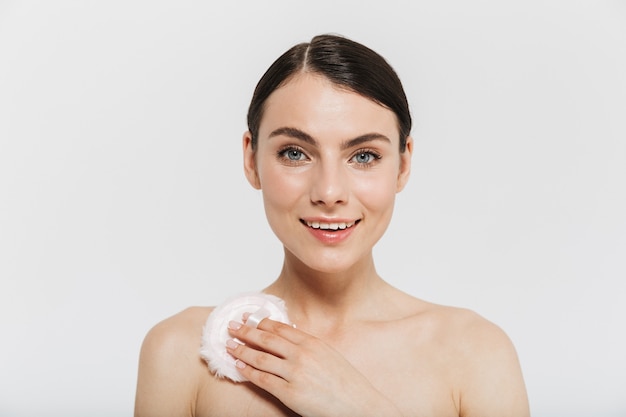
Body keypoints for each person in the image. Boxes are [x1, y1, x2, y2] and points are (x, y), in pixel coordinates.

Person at [134, 34, 530, 417]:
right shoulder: (184, 353)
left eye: (363, 156)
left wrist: (359, 408)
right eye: (294, 152)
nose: (329, 191)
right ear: (251, 160)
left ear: (403, 165)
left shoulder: (475, 354)